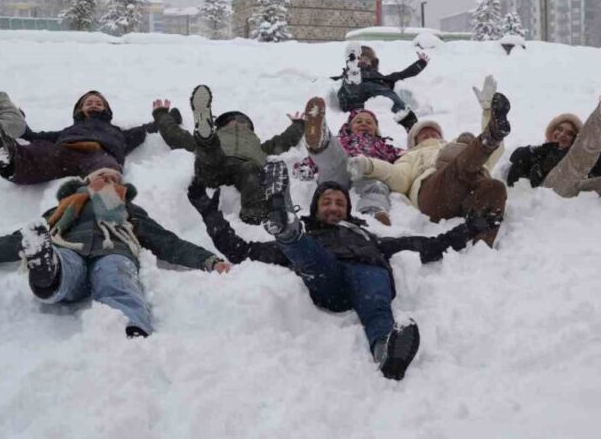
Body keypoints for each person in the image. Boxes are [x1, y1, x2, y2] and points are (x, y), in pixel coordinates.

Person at [188, 160, 497, 380]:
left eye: (339, 203)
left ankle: (386, 352)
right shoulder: (312, 235)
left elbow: (426, 246)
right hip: (325, 274)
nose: (334, 207)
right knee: (307, 253)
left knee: (376, 305)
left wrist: (469, 229)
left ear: (348, 210)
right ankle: (285, 229)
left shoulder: (368, 237)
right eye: (327, 202)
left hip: (367, 272)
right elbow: (241, 251)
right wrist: (209, 214)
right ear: (315, 209)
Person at [0, 167, 230, 337]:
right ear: (86, 183)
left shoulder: (130, 211)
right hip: (68, 248)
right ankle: (46, 274)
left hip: (115, 250)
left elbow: (167, 242)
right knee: (64, 265)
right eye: (101, 176)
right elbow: (18, 239)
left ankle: (131, 330)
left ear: (123, 189)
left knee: (116, 277)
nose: (108, 180)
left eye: (114, 179)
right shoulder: (63, 209)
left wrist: (207, 260)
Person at [348, 75, 510, 246]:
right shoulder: (411, 155)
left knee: (495, 187)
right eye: (424, 134)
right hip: (436, 195)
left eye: (434, 133)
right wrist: (368, 165)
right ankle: (491, 134)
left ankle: (482, 247)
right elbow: (398, 177)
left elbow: (494, 153)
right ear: (414, 141)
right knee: (458, 155)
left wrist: (487, 111)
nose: (430, 135)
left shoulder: (453, 146)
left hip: (470, 193)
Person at [151, 84, 305, 224]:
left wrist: (298, 125)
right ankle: (205, 134)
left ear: (250, 129)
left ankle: (253, 213)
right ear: (222, 126)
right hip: (215, 165)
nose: (237, 123)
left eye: (242, 121)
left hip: (244, 169)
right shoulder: (219, 137)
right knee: (209, 150)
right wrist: (161, 115)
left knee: (251, 168)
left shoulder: (259, 147)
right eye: (233, 120)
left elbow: (284, 141)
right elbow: (177, 136)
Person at [514, 76, 601, 225]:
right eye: (559, 129)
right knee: (573, 164)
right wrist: (539, 165)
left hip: (578, 188)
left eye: (569, 133)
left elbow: (600, 176)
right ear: (551, 131)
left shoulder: (582, 151)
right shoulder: (534, 151)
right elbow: (515, 172)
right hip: (549, 195)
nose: (562, 135)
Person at [0, 90, 157, 185]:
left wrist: (164, 116)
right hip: (63, 151)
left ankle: (106, 192)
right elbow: (32, 136)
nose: (94, 105)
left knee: (106, 167)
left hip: (98, 152)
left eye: (98, 103)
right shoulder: (69, 130)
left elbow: (144, 130)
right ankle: (7, 158)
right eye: (89, 103)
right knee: (35, 153)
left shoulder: (117, 132)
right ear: (80, 109)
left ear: (106, 110)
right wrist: (20, 117)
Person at [293, 102, 404, 225]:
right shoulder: (341, 140)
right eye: (359, 121)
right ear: (349, 126)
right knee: (334, 156)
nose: (363, 124)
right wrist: (305, 168)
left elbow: (403, 158)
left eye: (369, 122)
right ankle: (320, 139)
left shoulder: (384, 146)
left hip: (367, 173)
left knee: (377, 186)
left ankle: (373, 214)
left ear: (376, 129)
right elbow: (313, 161)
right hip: (340, 170)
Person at [334, 42, 428, 131]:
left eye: (366, 59)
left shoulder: (382, 78)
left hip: (380, 91)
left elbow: (403, 74)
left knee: (392, 98)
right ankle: (353, 78)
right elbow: (327, 82)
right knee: (351, 87)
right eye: (359, 59)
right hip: (358, 91)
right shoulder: (346, 76)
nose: (362, 61)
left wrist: (420, 63)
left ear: (372, 63)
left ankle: (410, 124)